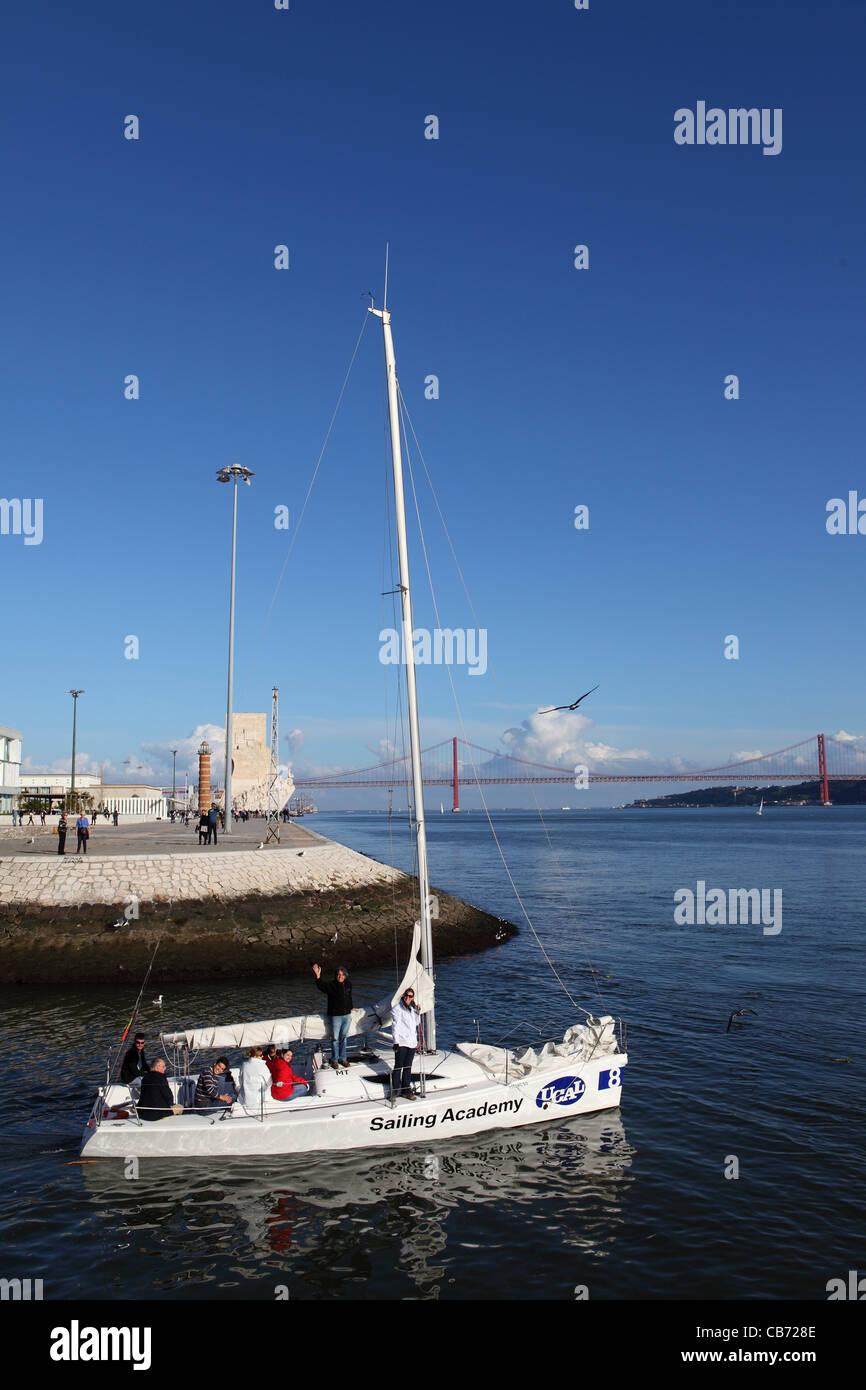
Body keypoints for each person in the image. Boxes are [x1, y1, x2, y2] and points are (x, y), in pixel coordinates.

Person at [312, 963, 353, 1069]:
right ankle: (335, 1059)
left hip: (347, 1015)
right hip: (336, 1016)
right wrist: (317, 975)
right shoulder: (331, 985)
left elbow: (349, 996)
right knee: (335, 1038)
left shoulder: (348, 984)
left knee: (344, 1038)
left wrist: (351, 1007)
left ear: (345, 975)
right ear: (336, 975)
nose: (340, 976)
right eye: (338, 974)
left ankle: (343, 1058)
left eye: (342, 974)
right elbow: (321, 986)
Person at [391, 987, 421, 1099]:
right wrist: (396, 1042)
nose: (408, 998)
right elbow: (395, 1026)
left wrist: (418, 1011)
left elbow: (416, 1023)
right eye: (406, 996)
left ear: (413, 998)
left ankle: (406, 1090)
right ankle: (394, 1091)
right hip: (402, 1042)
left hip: (412, 1042)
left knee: (408, 1067)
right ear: (403, 996)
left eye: (410, 996)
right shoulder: (397, 1009)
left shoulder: (412, 1010)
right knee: (398, 1066)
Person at [238, 1046, 276, 1112]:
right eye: (261, 1055)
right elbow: (269, 1082)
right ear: (255, 1056)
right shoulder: (262, 1066)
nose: (262, 1056)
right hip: (259, 1101)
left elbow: (240, 1080)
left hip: (245, 1099)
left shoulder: (244, 1065)